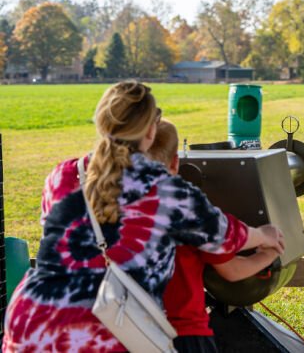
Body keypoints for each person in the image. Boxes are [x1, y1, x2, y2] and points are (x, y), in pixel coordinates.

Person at [2, 80, 284, 352]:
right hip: (100, 332)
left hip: (29, 325)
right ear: (150, 130)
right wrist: (265, 236)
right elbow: (226, 236)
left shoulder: (61, 174)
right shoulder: (164, 188)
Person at [148, 119, 283, 353]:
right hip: (185, 333)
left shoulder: (113, 199)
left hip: (130, 328)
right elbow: (233, 271)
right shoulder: (186, 209)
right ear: (175, 162)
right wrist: (269, 251)